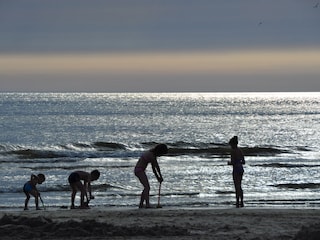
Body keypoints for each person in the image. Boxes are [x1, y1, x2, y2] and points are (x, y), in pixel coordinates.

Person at [134, 144, 168, 208]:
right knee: (147, 187)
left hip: (139, 170)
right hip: (139, 170)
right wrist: (159, 177)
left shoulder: (151, 154)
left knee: (146, 188)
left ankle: (141, 204)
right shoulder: (151, 156)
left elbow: (155, 167)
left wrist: (159, 177)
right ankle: (147, 204)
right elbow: (155, 168)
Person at [228, 136, 245, 208]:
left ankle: (237, 202)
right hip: (241, 168)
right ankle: (241, 201)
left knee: (236, 186)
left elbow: (233, 162)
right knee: (239, 186)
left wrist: (229, 163)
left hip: (236, 169)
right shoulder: (240, 150)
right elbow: (243, 161)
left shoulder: (233, 151)